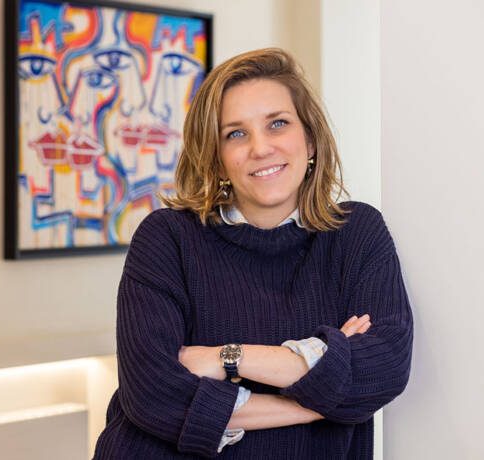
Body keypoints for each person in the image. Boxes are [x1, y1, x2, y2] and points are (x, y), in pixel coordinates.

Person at [93, 48, 413, 459]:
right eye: (236, 133)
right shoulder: (167, 237)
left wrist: (227, 358)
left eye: (277, 123)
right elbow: (154, 395)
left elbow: (382, 369)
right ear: (218, 158)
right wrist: (317, 397)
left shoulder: (355, 233)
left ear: (310, 140)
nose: (260, 148)